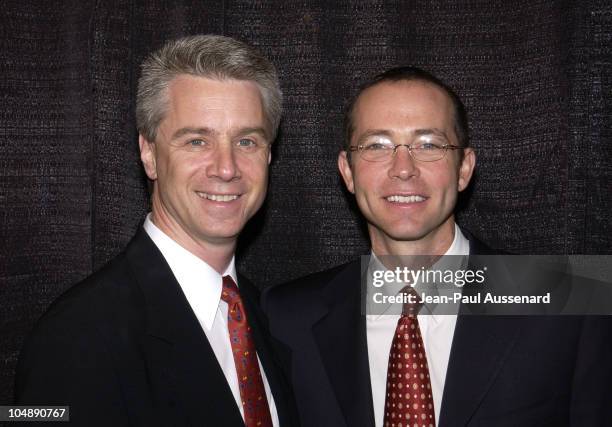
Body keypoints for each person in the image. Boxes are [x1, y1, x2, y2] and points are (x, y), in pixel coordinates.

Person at [263, 66, 612, 426]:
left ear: (464, 168)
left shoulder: (573, 302)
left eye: (428, 144)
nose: (403, 168)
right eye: (377, 145)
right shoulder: (287, 317)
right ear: (348, 172)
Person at [15, 34, 296, 427]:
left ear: (268, 155)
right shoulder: (77, 336)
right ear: (149, 154)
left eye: (246, 141)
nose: (227, 167)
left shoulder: (269, 318)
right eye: (197, 141)